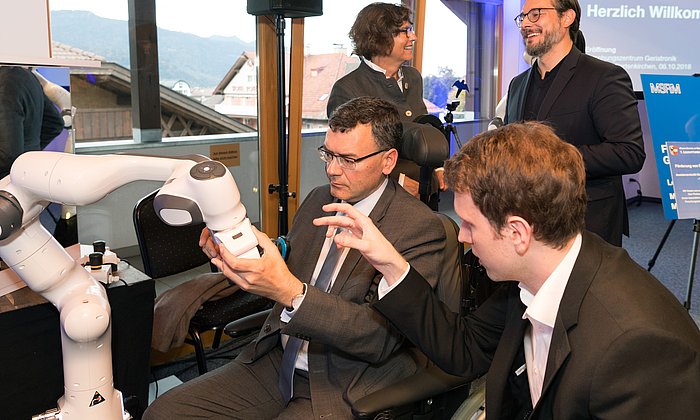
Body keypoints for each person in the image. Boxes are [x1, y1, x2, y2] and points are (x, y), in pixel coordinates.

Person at [314, 122, 700, 419]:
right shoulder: (534, 273)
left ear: (517, 232)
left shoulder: (638, 347)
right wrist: (389, 261)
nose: (463, 238)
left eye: (469, 224)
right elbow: (464, 350)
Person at [143, 97, 446, 419]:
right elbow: (292, 256)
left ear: (388, 161)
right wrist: (242, 252)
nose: (332, 170)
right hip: (279, 356)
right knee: (164, 413)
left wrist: (289, 292)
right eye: (328, 154)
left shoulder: (419, 229)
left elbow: (377, 339)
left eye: (348, 159)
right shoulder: (320, 199)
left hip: (344, 376)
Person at [504, 0, 645, 246]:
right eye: (523, 17)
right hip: (526, 223)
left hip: (585, 224)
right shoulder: (517, 85)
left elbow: (629, 152)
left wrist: (552, 159)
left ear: (567, 18)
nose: (526, 23)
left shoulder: (604, 77)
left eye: (535, 14)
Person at [328, 2, 444, 199]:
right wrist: (397, 183)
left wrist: (438, 167)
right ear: (379, 38)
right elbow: (347, 159)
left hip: (425, 193)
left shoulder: (413, 77)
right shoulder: (347, 89)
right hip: (382, 201)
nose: (413, 37)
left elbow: (421, 128)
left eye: (411, 30)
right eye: (405, 31)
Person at [0, 66, 63, 179]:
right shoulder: (27, 76)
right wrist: (29, 153)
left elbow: (7, 155)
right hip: (26, 177)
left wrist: (24, 154)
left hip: (7, 184)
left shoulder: (4, 83)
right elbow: (54, 124)